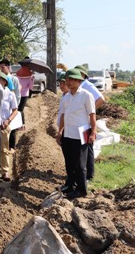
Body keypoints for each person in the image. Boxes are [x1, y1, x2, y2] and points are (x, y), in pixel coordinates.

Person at [55, 69, 96, 199]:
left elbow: (92, 115)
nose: (68, 82)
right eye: (67, 79)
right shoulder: (66, 97)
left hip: (81, 134)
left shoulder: (86, 95)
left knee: (80, 164)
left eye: (71, 80)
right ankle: (70, 185)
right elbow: (63, 116)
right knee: (70, 163)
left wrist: (93, 132)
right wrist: (60, 132)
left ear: (79, 81)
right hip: (68, 134)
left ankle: (81, 190)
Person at [75, 65, 105, 182]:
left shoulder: (87, 85)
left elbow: (101, 99)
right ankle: (86, 173)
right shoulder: (80, 86)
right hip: (81, 120)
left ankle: (89, 174)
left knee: (87, 147)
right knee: (85, 146)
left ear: (82, 74)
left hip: (86, 121)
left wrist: (89, 112)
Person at [0, 70, 19, 182]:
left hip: (4, 125)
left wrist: (8, 120)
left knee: (4, 149)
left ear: (4, 82)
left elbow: (15, 110)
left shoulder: (10, 94)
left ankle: (4, 172)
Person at [0, 58, 21, 149]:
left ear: (8, 67)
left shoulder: (13, 79)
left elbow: (16, 94)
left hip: (11, 107)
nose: (1, 69)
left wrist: (14, 106)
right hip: (3, 109)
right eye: (0, 67)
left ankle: (12, 146)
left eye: (3, 67)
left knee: (12, 128)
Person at [16, 58, 34, 131]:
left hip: (18, 94)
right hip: (24, 95)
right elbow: (30, 87)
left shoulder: (17, 73)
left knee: (18, 110)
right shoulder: (30, 75)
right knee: (20, 110)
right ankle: (22, 125)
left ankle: (20, 125)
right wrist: (32, 80)